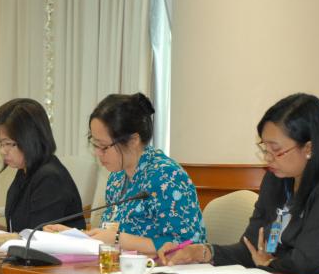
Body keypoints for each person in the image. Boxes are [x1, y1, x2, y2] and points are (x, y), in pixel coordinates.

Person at [159, 93, 319, 274]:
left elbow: (305, 262)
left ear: (309, 148)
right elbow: (250, 249)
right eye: (265, 148)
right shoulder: (277, 179)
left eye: (276, 150)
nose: (268, 158)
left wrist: (268, 264)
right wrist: (202, 252)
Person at [46, 93, 205, 255]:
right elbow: (109, 235)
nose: (98, 153)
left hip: (160, 269)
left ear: (133, 140)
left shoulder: (167, 176)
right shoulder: (116, 178)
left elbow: (188, 244)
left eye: (104, 146)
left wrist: (118, 239)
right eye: (94, 144)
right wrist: (74, 236)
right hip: (122, 266)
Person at [0, 98, 85, 232]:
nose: (2, 151)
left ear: (29, 139)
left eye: (8, 143)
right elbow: (22, 231)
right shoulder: (25, 171)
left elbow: (37, 238)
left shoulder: (49, 178)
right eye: (0, 143)